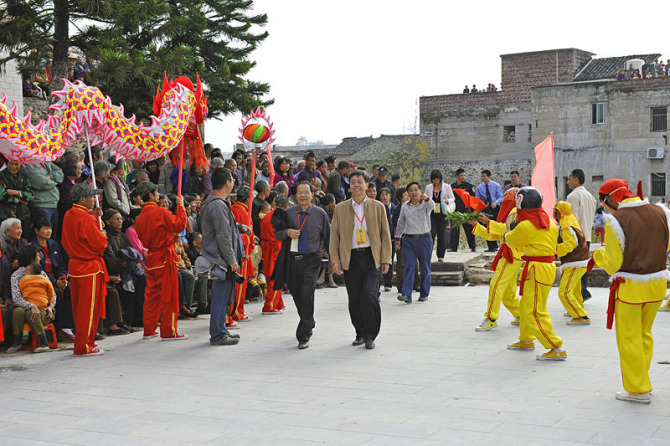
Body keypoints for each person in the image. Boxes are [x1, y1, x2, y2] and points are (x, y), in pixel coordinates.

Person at [593, 179, 670, 404]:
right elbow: (665, 245)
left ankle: (637, 389)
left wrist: (598, 256)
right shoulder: (662, 212)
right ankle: (642, 379)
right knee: (645, 334)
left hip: (631, 287)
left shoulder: (617, 220)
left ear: (610, 199)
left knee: (629, 338)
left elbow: (613, 264)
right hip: (657, 283)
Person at [330, 171, 391, 350]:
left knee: (370, 295)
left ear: (366, 185)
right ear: (349, 186)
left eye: (360, 182)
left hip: (372, 256)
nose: (356, 185)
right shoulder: (340, 208)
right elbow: (334, 236)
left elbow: (385, 234)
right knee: (354, 297)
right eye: (353, 182)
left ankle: (371, 335)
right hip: (351, 257)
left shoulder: (378, 207)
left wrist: (386, 259)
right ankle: (360, 333)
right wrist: (335, 260)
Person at [505, 187, 566, 361]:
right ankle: (526, 339)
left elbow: (510, 240)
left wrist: (508, 229)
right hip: (544, 267)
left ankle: (556, 347)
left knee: (533, 311)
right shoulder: (548, 221)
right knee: (527, 305)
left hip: (537, 269)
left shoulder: (526, 226)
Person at [275, 182, 330, 349]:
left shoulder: (320, 213)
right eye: (300, 192)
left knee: (307, 295)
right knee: (297, 296)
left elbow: (328, 237)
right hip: (292, 260)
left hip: (312, 260)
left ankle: (303, 335)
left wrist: (334, 258)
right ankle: (308, 320)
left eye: (306, 192)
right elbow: (278, 233)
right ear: (295, 195)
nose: (303, 195)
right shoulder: (289, 213)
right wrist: (287, 232)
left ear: (312, 194)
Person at [135, 181, 189, 340]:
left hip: (152, 257)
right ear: (151, 195)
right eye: (156, 193)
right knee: (169, 296)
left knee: (151, 296)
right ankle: (169, 330)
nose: (158, 195)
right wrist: (181, 207)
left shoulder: (140, 217)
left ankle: (149, 329)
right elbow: (179, 225)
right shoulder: (160, 212)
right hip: (165, 257)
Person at [61, 184, 108, 356]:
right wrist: (103, 235)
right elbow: (99, 243)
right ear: (82, 199)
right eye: (91, 197)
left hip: (75, 266)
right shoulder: (85, 218)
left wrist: (95, 218)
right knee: (88, 308)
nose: (94, 200)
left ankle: (86, 342)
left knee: (79, 308)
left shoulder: (69, 214)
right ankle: (84, 345)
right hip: (89, 267)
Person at [199, 168, 243, 345]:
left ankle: (221, 330)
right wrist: (231, 260)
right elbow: (223, 235)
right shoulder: (217, 204)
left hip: (219, 257)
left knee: (223, 297)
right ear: (227, 182)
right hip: (220, 259)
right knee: (220, 297)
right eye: (232, 179)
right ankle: (217, 334)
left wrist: (241, 228)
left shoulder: (215, 202)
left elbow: (226, 228)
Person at [471, 188, 521, 331]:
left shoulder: (516, 213)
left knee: (496, 284)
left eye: (506, 197)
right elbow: (494, 235)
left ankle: (491, 318)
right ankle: (521, 315)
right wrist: (477, 225)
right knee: (508, 292)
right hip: (513, 255)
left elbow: (507, 230)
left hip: (511, 255)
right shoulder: (512, 213)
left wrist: (489, 222)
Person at [30, 218, 74, 342]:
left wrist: (62, 277)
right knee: (54, 292)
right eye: (45, 228)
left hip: (56, 278)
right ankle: (58, 328)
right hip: (41, 280)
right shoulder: (32, 247)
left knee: (70, 289)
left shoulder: (54, 244)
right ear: (37, 230)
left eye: (50, 228)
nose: (49, 231)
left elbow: (61, 264)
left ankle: (67, 328)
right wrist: (54, 282)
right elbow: (35, 269)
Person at [7, 249, 56, 354]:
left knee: (30, 314)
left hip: (44, 309)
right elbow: (16, 298)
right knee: (18, 312)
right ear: (31, 259)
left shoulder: (41, 273)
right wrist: (32, 306)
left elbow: (53, 294)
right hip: (25, 307)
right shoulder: (16, 276)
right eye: (37, 256)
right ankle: (17, 342)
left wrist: (50, 307)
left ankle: (44, 343)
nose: (40, 258)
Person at [394, 182, 434, 303]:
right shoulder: (405, 206)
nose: (414, 192)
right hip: (409, 240)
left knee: (425, 267)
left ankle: (424, 293)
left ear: (420, 191)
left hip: (424, 239)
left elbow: (432, 206)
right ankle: (406, 294)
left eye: (416, 190)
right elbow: (401, 222)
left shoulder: (425, 204)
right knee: (409, 266)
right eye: (411, 191)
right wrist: (397, 238)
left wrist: (427, 198)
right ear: (408, 193)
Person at [554, 201, 590, 325]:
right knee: (575, 290)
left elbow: (570, 244)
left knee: (564, 292)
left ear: (559, 213)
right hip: (580, 261)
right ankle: (575, 309)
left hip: (574, 262)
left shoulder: (566, 226)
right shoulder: (571, 221)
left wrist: (555, 250)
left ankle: (581, 316)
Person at [566, 169, 597, 301]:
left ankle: (580, 293)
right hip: (587, 236)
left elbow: (573, 220)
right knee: (582, 266)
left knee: (574, 267)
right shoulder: (591, 197)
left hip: (577, 237)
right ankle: (582, 292)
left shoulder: (573, 196)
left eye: (569, 179)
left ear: (576, 180)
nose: (568, 183)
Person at [260, 194, 289, 314]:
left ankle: (278, 303)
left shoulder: (268, 215)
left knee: (271, 277)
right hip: (276, 250)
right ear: (285, 206)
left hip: (268, 249)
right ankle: (270, 306)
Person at [24, 161, 64, 233]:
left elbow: (61, 173)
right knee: (42, 233)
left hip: (54, 204)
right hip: (41, 205)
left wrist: (50, 176)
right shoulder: (27, 165)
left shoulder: (46, 162)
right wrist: (54, 182)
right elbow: (42, 183)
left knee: (52, 235)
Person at [425, 169, 455, 262]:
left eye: (437, 179)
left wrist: (447, 201)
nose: (436, 181)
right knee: (432, 234)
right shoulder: (428, 187)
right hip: (432, 213)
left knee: (441, 235)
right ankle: (428, 254)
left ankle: (441, 255)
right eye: (434, 179)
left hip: (442, 213)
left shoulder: (446, 187)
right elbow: (426, 199)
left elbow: (452, 197)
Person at [0, 160, 34, 237]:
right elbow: (2, 195)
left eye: (16, 164)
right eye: (11, 164)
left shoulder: (24, 176)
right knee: (6, 238)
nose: (13, 167)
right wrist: (19, 200)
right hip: (6, 214)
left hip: (23, 214)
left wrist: (16, 192)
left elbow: (30, 195)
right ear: (7, 164)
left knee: (24, 238)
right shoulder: (1, 176)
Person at [450, 168, 477, 252]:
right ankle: (453, 247)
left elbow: (473, 198)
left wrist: (472, 212)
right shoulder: (452, 187)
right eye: (461, 175)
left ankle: (473, 247)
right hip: (456, 212)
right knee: (454, 230)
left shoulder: (469, 186)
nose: (463, 177)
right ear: (457, 176)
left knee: (469, 230)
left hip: (466, 212)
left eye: (464, 175)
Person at [476, 170, 504, 252]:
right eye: (482, 176)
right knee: (487, 226)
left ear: (489, 177)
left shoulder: (496, 185)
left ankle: (497, 244)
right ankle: (491, 246)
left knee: (494, 225)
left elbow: (501, 196)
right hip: (486, 208)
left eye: (484, 176)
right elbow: (477, 198)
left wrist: (496, 202)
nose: (482, 178)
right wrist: (483, 204)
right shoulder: (480, 187)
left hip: (494, 208)